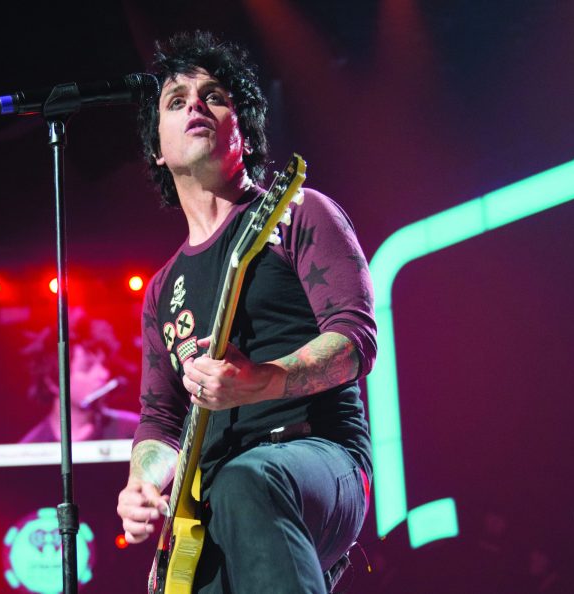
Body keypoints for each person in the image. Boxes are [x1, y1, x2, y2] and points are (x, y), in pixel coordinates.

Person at [115, 31, 376, 594]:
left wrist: (263, 380)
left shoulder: (299, 212)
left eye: (213, 96)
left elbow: (355, 341)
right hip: (213, 498)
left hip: (317, 455)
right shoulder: (161, 290)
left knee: (247, 482)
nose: (195, 106)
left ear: (245, 133)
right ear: (157, 149)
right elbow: (161, 420)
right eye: (176, 101)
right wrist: (143, 483)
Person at [20, 307, 139, 443]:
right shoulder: (32, 446)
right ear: (54, 381)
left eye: (104, 364)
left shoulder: (134, 432)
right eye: (87, 367)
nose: (104, 374)